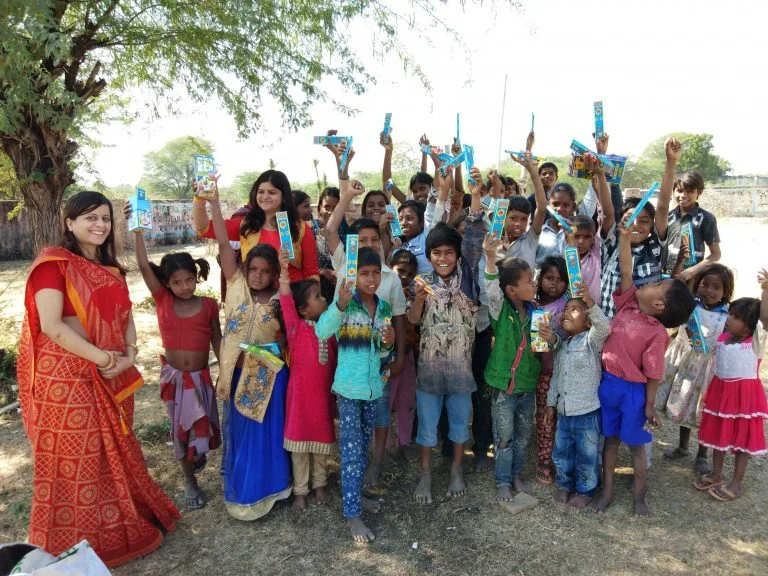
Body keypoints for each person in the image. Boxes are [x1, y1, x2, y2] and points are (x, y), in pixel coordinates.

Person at [17, 191, 179, 566]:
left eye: (105, 218)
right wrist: (106, 357)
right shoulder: (52, 265)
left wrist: (129, 357)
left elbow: (127, 319)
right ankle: (79, 537)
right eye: (90, 217)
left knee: (112, 453)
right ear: (69, 222)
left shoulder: (112, 270)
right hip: (66, 377)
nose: (99, 225)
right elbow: (53, 326)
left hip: (110, 371)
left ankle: (122, 522)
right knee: (77, 458)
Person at [593, 217, 695, 516]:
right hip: (608, 385)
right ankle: (608, 490)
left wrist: (649, 405)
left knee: (637, 446)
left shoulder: (656, 333)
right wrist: (624, 239)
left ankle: (640, 497)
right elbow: (626, 269)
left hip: (633, 394)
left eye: (657, 284)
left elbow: (653, 373)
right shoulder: (629, 304)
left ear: (660, 306)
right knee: (609, 440)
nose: (649, 281)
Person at [206, 192, 291, 520]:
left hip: (269, 378)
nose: (257, 275)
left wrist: (284, 274)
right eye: (253, 268)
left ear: (273, 274)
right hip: (237, 374)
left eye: (264, 271)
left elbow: (289, 336)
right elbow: (225, 246)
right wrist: (214, 204)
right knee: (241, 436)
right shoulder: (237, 286)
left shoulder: (281, 298)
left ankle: (271, 489)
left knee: (265, 437)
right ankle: (243, 493)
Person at [323, 175, 407, 487]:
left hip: (381, 358)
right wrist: (346, 195)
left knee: (380, 411)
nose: (369, 244)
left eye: (375, 239)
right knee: (353, 417)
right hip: (351, 356)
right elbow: (331, 229)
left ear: (382, 241)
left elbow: (398, 318)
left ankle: (376, 460)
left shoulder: (390, 277)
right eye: (363, 240)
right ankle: (354, 466)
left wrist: (397, 356)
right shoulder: (346, 263)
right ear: (354, 244)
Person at [409, 167, 485, 505]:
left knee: (458, 425)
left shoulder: (468, 278)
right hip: (429, 371)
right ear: (429, 257)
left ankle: (456, 468)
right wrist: (420, 300)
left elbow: (472, 237)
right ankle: (425, 474)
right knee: (427, 427)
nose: (443, 258)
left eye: (448, 253)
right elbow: (412, 320)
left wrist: (475, 193)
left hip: (460, 372)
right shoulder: (423, 283)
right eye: (436, 253)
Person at [132, 234, 222, 510]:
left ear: (197, 277)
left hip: (201, 378)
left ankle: (198, 454)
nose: (184, 287)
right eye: (176, 282)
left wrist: (226, 372)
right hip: (174, 380)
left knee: (202, 423)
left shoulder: (208, 305)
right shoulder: (162, 300)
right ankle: (189, 481)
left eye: (189, 280)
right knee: (180, 430)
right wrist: (137, 233)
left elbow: (217, 339)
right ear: (166, 283)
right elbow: (144, 266)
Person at [315, 247, 395, 543]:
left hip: (373, 387)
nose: (371, 279)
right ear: (354, 276)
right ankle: (352, 515)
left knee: (362, 448)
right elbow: (322, 332)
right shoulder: (346, 304)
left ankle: (357, 498)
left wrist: (389, 341)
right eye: (364, 273)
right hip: (349, 390)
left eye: (376, 273)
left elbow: (383, 350)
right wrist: (338, 305)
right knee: (351, 454)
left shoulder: (384, 308)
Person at [693, 270, 768, 502]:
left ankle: (736, 481)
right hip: (721, 393)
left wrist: (765, 290)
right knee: (719, 434)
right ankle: (716, 474)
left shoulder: (755, 340)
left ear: (749, 325)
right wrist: (693, 334)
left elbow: (765, 320)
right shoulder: (724, 338)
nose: (728, 318)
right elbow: (703, 350)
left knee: (743, 439)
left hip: (745, 397)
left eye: (734, 317)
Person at [656, 264, 734, 475]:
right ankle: (682, 447)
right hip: (684, 363)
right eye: (704, 285)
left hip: (707, 369)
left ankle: (702, 453)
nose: (708, 290)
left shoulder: (728, 317)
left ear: (726, 292)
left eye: (715, 287)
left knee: (701, 410)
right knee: (685, 405)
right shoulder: (689, 306)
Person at [278, 255, 338, 510]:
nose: (323, 298)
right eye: (316, 296)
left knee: (322, 444)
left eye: (322, 294)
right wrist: (283, 271)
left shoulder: (332, 327)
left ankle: (319, 484)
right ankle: (301, 489)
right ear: (302, 309)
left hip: (323, 398)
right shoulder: (296, 329)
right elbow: (285, 301)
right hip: (300, 401)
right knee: (300, 448)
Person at [541, 288, 610, 508]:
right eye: (565, 311)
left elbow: (604, 327)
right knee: (562, 453)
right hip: (564, 413)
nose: (566, 314)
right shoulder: (562, 346)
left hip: (587, 413)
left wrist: (590, 303)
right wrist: (551, 404)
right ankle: (564, 484)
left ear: (588, 322)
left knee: (586, 455)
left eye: (575, 310)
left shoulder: (591, 342)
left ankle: (586, 489)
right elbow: (555, 379)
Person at [482, 247, 541, 501]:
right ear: (511, 290)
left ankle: (516, 474)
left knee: (523, 436)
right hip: (503, 389)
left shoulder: (538, 313)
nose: (534, 283)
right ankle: (503, 480)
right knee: (503, 438)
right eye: (529, 281)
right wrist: (490, 259)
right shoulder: (500, 310)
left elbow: (543, 348)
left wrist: (550, 339)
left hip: (527, 387)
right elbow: (491, 288)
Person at [192, 169, 319, 283]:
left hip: (292, 300)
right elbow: (204, 229)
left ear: (284, 197)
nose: (265, 197)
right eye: (261, 192)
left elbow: (311, 272)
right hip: (256, 301)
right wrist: (199, 199)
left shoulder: (300, 228)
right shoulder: (246, 224)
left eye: (272, 192)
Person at [533, 256, 569, 484]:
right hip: (541, 370)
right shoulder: (534, 305)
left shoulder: (569, 305)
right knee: (545, 415)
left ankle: (561, 458)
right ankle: (544, 459)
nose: (554, 284)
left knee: (563, 416)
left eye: (560, 279)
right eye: (549, 278)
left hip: (565, 371)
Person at [660, 167, 721, 282]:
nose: (683, 195)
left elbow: (716, 254)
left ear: (699, 192)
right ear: (673, 191)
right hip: (665, 277)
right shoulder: (667, 217)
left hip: (690, 279)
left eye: (690, 191)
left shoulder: (706, 219)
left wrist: (691, 271)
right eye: (679, 190)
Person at [387, 250, 419, 457]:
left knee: (406, 401)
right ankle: (384, 447)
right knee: (385, 402)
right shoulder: (383, 293)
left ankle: (404, 442)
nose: (403, 276)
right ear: (390, 269)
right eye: (400, 271)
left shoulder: (415, 295)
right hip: (387, 356)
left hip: (407, 354)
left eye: (409, 273)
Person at [495, 153, 548, 271]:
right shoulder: (493, 241)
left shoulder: (530, 240)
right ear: (503, 218)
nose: (518, 223)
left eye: (523, 219)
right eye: (513, 218)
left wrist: (533, 171)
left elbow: (542, 208)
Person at [381, 127, 433, 204]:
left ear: (432, 188)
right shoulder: (411, 205)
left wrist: (425, 153)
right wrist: (389, 150)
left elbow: (423, 176)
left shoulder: (440, 203)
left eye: (422, 189)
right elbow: (387, 182)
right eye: (415, 191)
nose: (418, 194)